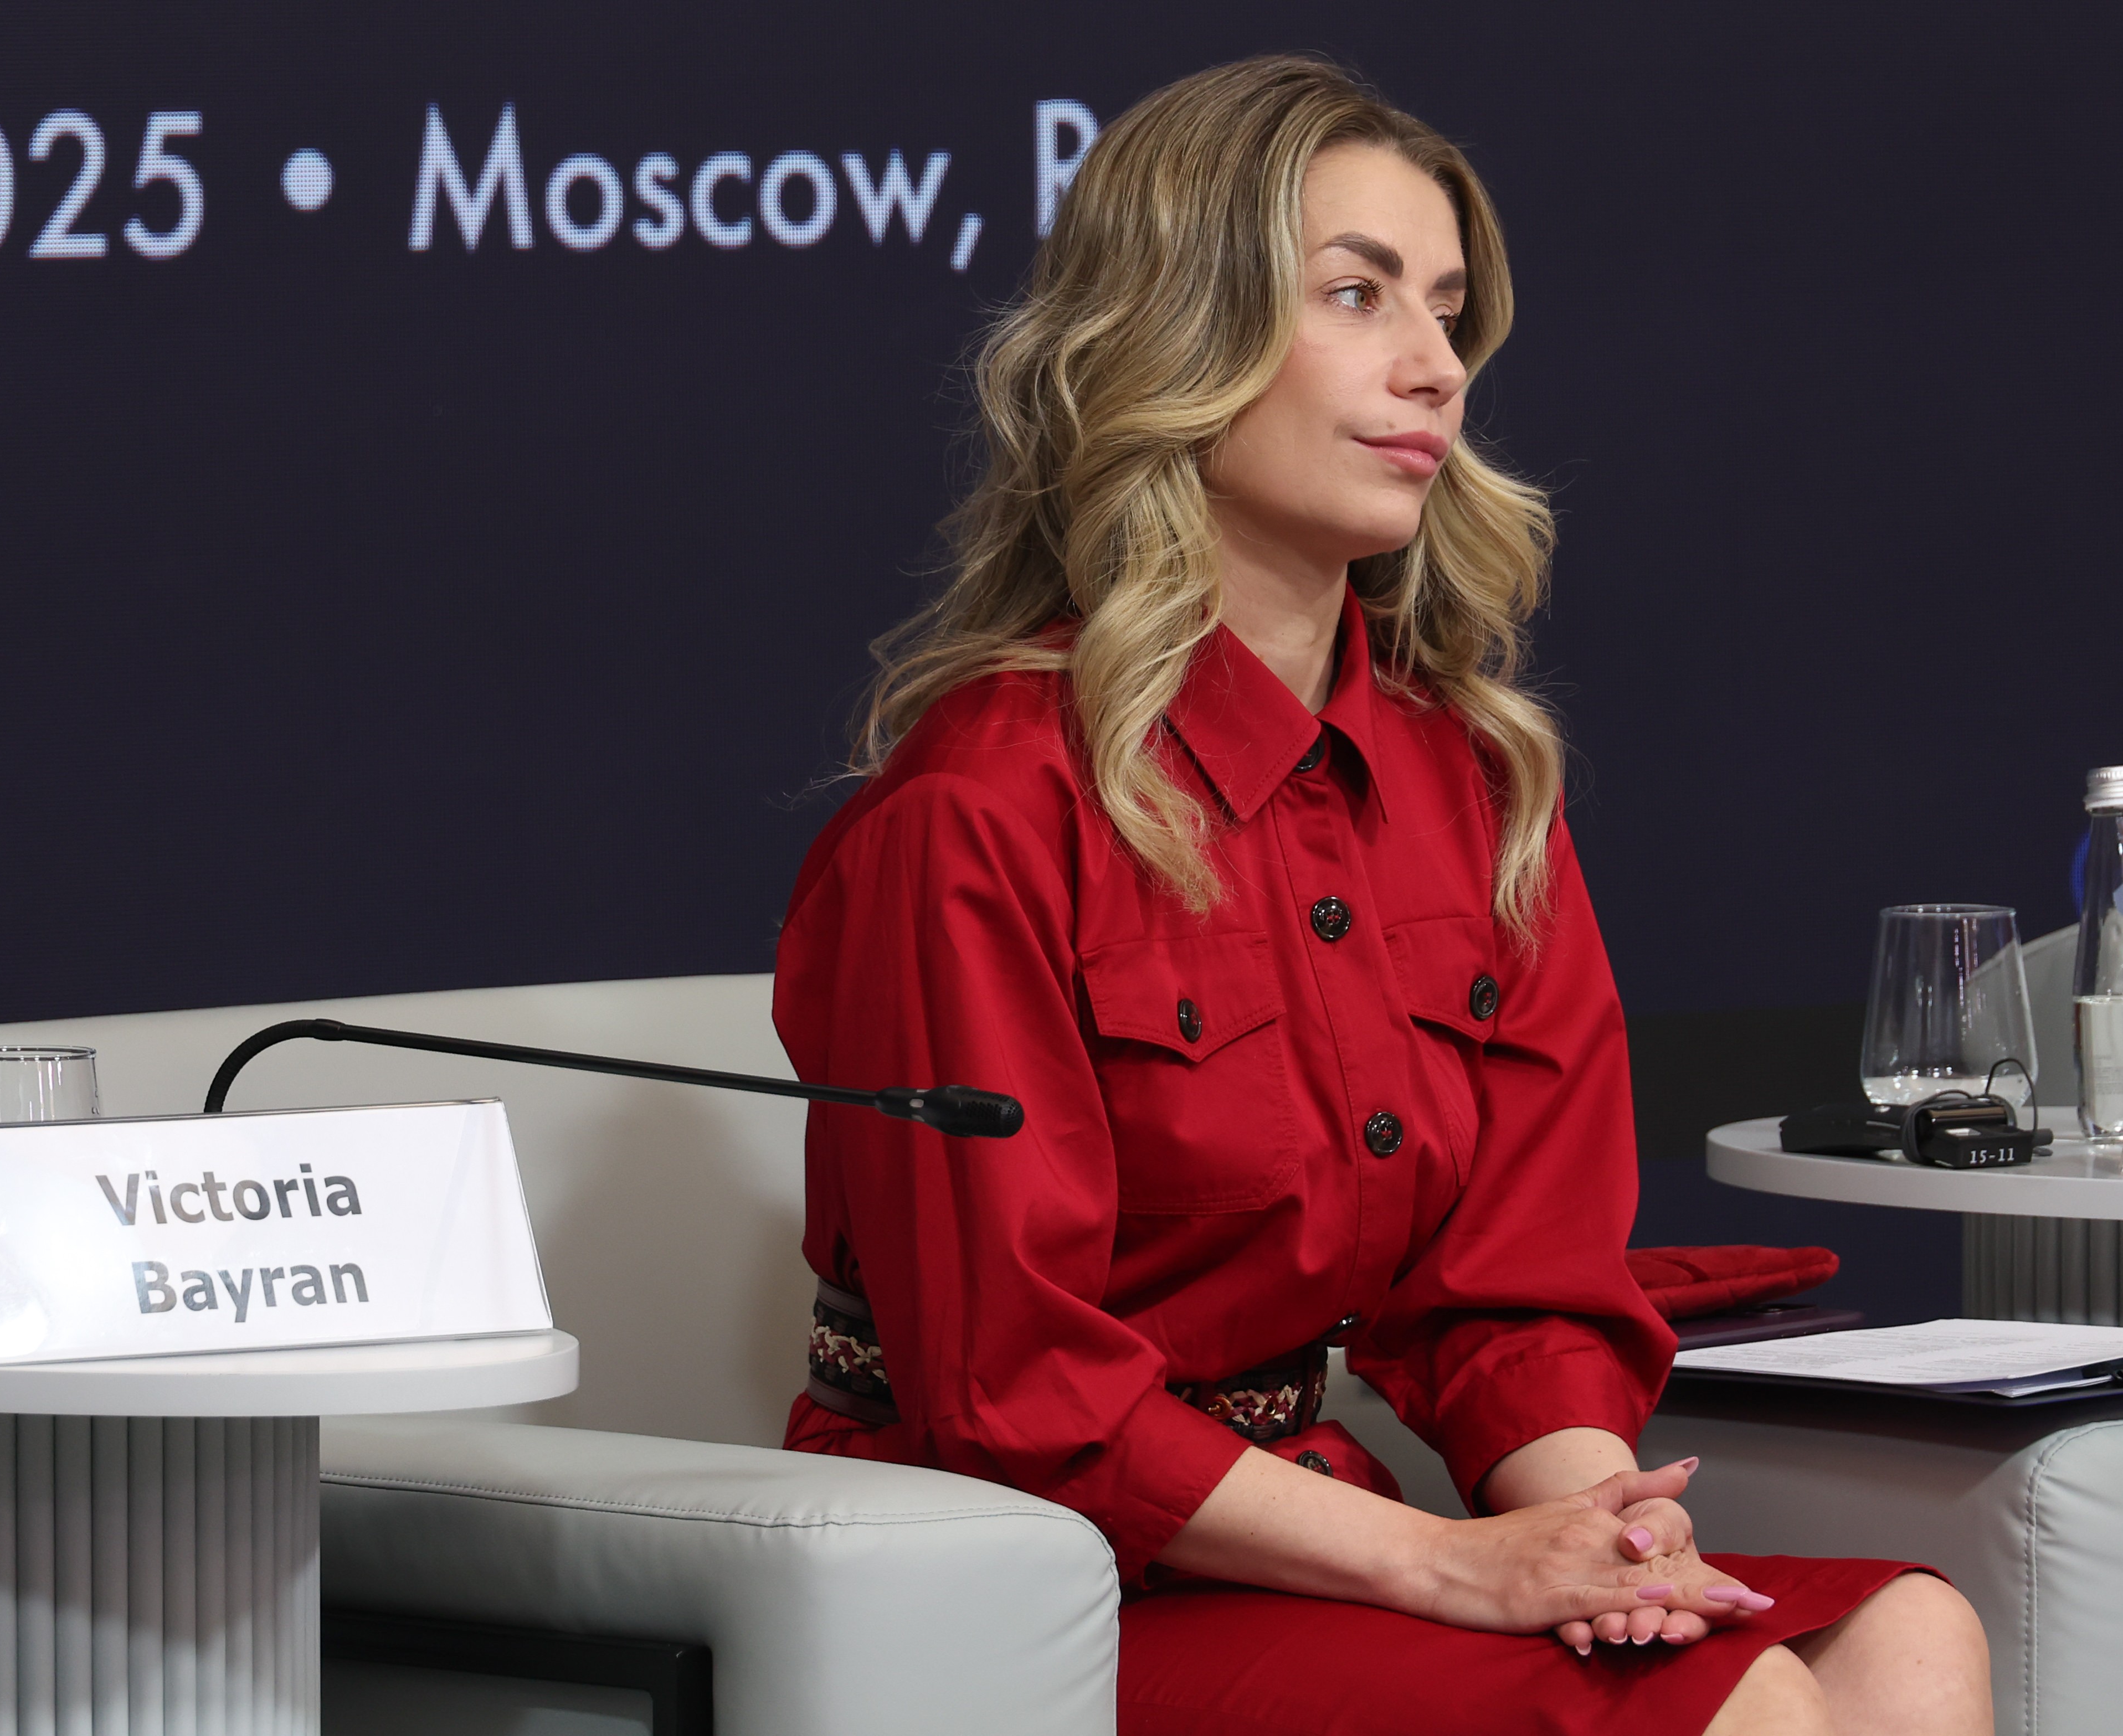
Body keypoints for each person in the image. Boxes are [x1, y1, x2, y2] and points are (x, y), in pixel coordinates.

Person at [773, 54, 1992, 1736]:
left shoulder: (1472, 781)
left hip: (1307, 1541)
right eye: (1357, 296)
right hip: (1024, 1578)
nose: (1435, 368)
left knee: (1910, 1642)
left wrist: (1605, 1529)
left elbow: (1520, 1286)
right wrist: (1455, 1566)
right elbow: (1018, 1389)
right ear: (1177, 334)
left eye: (1448, 311)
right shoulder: (977, 806)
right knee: (1741, 1711)